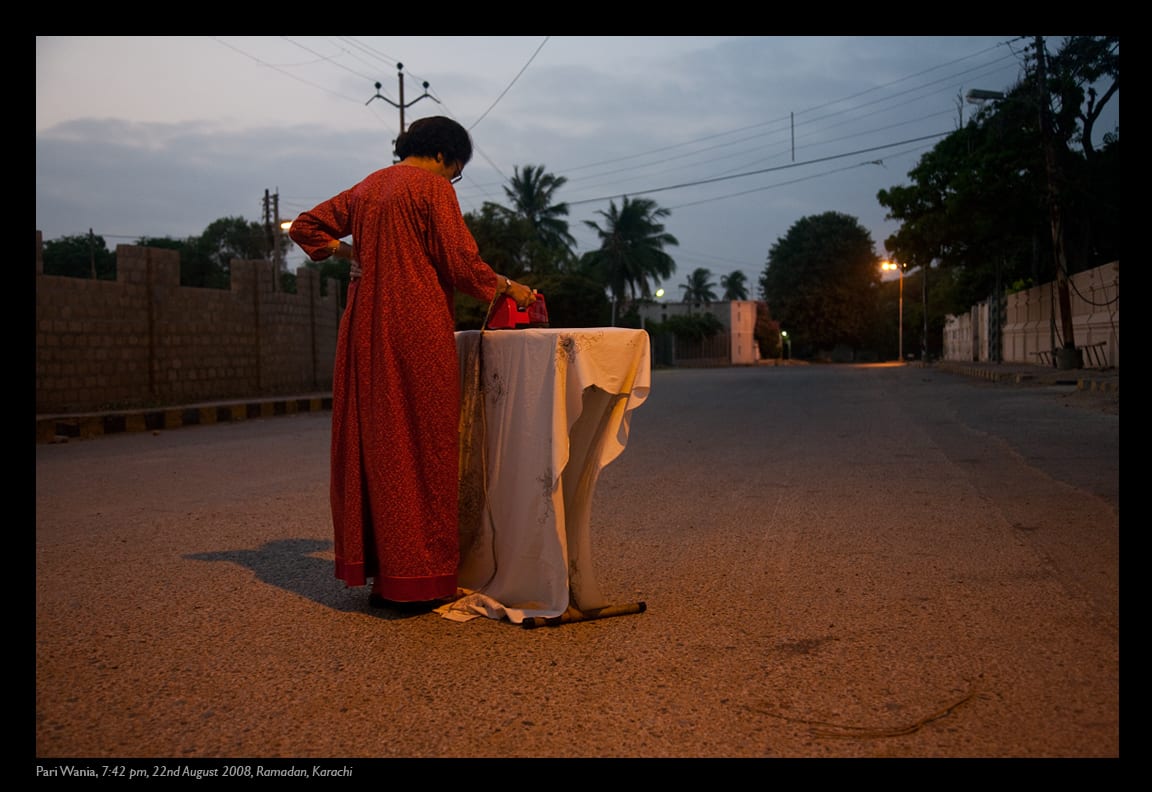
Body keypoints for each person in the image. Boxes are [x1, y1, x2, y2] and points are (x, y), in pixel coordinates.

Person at [288, 115, 538, 610]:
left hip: (362, 333)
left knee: (380, 447)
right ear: (445, 156)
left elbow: (303, 226)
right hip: (416, 330)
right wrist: (510, 288)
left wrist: (346, 253)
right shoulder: (431, 188)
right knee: (426, 448)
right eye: (457, 170)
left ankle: (384, 576)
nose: (453, 180)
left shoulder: (368, 187)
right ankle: (419, 578)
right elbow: (461, 263)